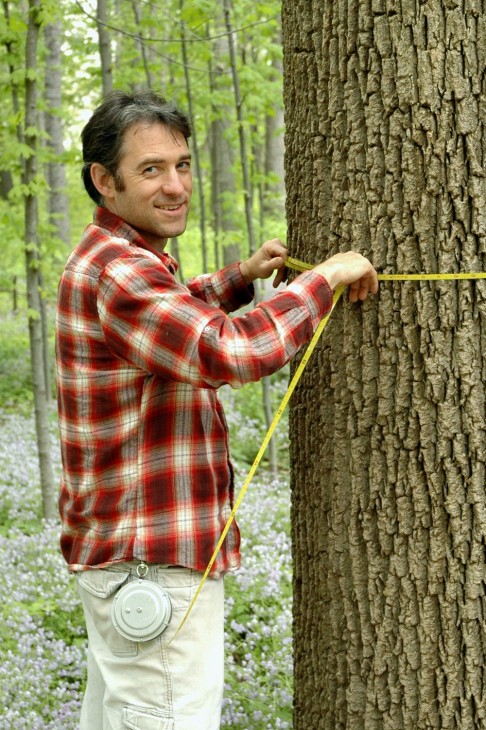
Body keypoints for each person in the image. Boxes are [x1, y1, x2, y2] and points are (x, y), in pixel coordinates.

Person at [55, 89, 378, 730]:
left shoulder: (125, 262)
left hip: (135, 562)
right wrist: (327, 278)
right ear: (104, 180)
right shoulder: (121, 271)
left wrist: (239, 277)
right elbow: (227, 351)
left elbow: (168, 321)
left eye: (182, 164)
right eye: (151, 170)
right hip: (153, 566)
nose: (175, 185)